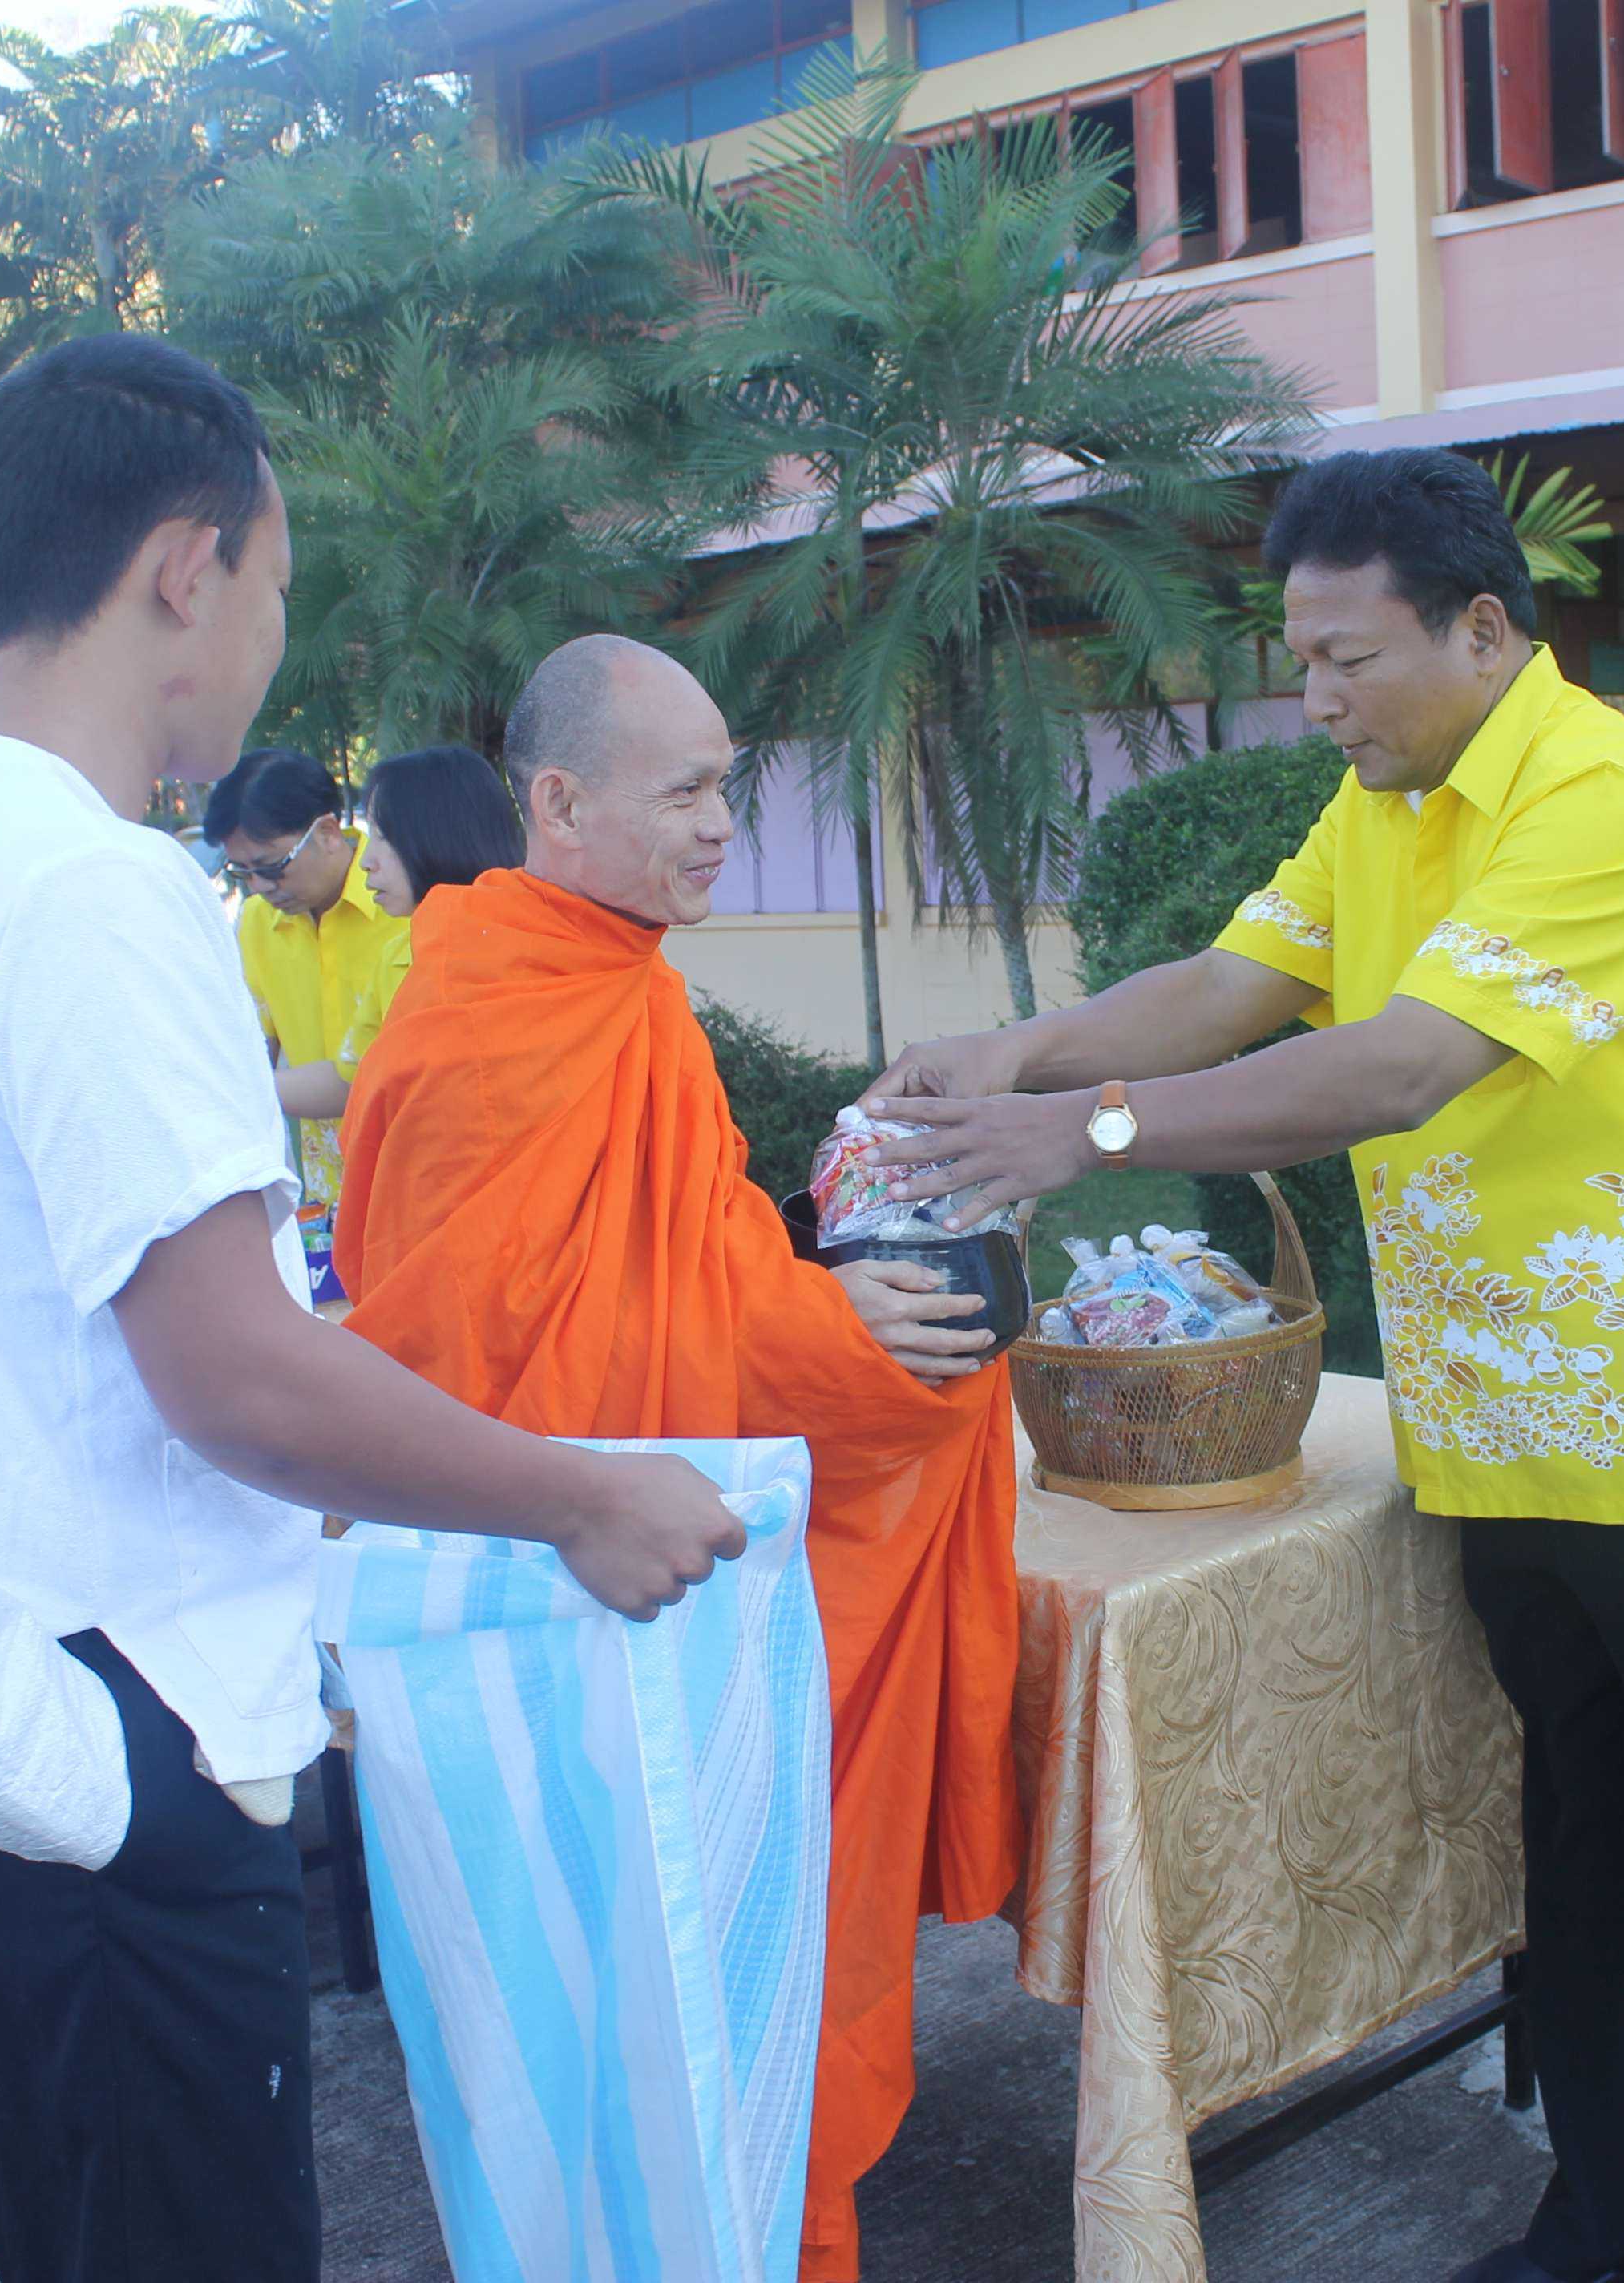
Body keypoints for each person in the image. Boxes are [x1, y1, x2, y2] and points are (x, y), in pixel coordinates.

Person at [868, 448, 1624, 2283]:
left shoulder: (1599, 796)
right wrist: (1020, 1051)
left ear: (1483, 628)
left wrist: (1090, 1128)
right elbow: (1230, 985)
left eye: (1348, 657)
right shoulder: (1382, 808)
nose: (1319, 698)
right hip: (1516, 1437)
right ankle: (1592, 2226)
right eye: (1303, 661)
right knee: (1583, 1869)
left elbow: (1405, 1063)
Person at [0, 332, 749, 2283]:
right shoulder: (94, 892)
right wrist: (582, 1491)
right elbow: (237, 1376)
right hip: (109, 1724)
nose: (273, 632)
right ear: (190, 568)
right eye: (274, 580)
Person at [337, 632, 1018, 2283]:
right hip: (545, 1601)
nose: (723, 822)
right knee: (600, 2010)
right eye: (689, 791)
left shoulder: (624, 981)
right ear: (561, 802)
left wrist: (819, 1301)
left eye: (729, 784)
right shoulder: (486, 1012)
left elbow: (687, 1258)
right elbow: (471, 1340)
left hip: (659, 1556)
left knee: (718, 1985)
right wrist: (828, 1331)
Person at [219, 747, 402, 1305]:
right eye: (242, 873)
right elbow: (251, 1045)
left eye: (271, 866)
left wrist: (231, 1088)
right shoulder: (258, 922)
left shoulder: (403, 894)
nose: (259, 887)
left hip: (410, 1178)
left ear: (326, 832)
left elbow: (372, 1077)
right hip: (325, 1197)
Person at [353, 741, 522, 1012]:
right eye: (369, 834)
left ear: (442, 836)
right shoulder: (396, 959)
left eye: (383, 835)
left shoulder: (534, 952)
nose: (365, 862)